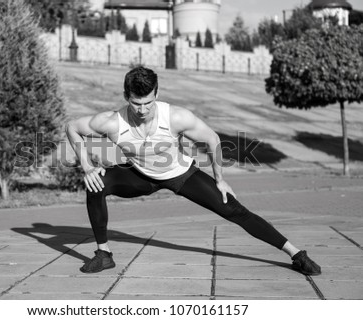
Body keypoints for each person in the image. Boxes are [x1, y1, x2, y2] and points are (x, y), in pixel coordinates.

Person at [65, 66, 321, 276]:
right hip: (139, 175)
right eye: (136, 104)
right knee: (95, 183)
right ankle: (104, 254)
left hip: (181, 175)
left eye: (148, 103)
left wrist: (220, 178)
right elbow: (72, 128)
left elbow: (212, 139)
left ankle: (296, 254)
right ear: (126, 96)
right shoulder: (110, 122)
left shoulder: (175, 117)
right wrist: (87, 166)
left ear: (157, 93)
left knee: (235, 210)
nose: (142, 110)